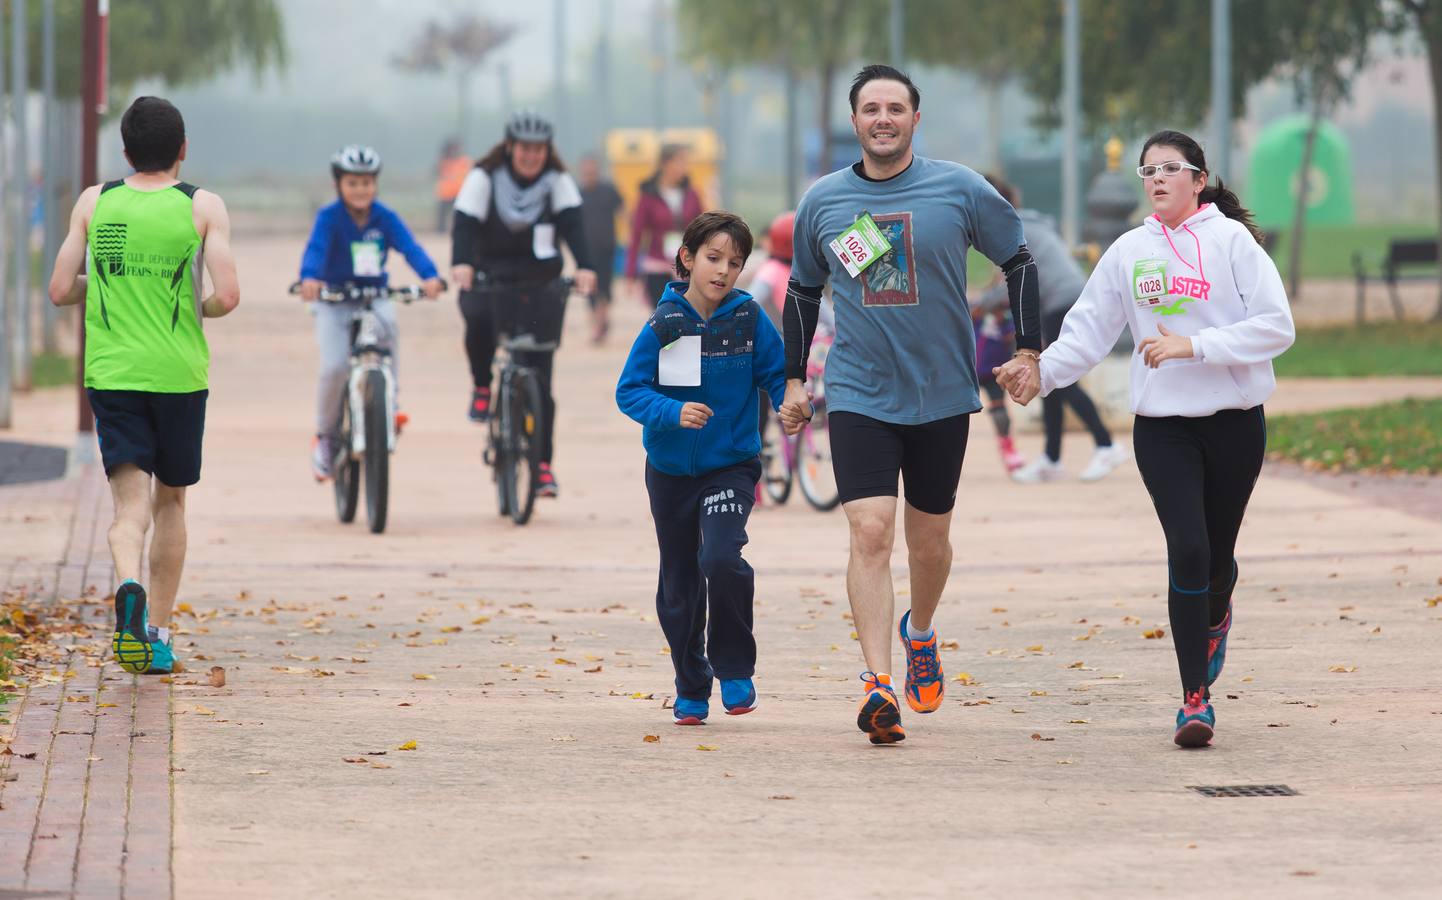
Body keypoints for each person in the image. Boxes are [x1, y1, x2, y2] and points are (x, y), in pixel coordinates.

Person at [994, 129, 1295, 748]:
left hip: (1235, 424)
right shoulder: (1130, 250)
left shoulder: (1232, 241)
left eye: (1170, 167)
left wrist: (1196, 345)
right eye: (1147, 170)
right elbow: (1086, 334)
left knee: (1217, 559)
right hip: (1163, 430)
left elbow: (1276, 326)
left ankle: (1217, 612)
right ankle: (1194, 701)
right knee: (1187, 549)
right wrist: (1040, 374)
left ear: (1199, 178)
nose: (1156, 178)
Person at [777, 65, 1043, 745]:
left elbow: (1019, 261)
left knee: (930, 544)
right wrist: (794, 379)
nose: (884, 118)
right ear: (856, 121)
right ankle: (878, 685)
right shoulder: (825, 201)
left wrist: (1029, 350)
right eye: (871, 109)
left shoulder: (958, 189)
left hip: (942, 393)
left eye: (896, 108)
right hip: (861, 392)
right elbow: (804, 292)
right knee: (870, 533)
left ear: (915, 120)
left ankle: (919, 631)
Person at [47, 96, 241, 675]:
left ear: (126, 151)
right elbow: (227, 296)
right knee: (172, 500)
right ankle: (155, 632)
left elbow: (60, 289)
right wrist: (192, 304)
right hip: (179, 376)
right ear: (183, 150)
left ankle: (126, 582)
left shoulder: (96, 202)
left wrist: (106, 287)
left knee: (129, 505)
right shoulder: (202, 206)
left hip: (113, 374)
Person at [616, 211, 786, 725]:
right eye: (713, 258)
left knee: (720, 558)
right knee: (680, 584)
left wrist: (789, 404)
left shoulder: (748, 317)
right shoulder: (665, 323)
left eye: (734, 263)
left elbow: (776, 373)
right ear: (688, 259)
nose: (723, 271)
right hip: (669, 472)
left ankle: (734, 667)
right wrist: (672, 412)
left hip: (730, 466)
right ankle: (690, 682)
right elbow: (630, 391)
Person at [451, 110, 598, 498]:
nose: (531, 156)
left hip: (540, 282)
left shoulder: (557, 182)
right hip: (490, 275)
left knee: (542, 380)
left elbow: (574, 227)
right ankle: (483, 386)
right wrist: (462, 263)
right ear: (511, 147)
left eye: (538, 149)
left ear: (547, 151)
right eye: (524, 149)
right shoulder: (485, 177)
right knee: (478, 319)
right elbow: (464, 224)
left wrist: (585, 267)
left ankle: (543, 465)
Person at [298, 145, 444, 481]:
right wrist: (310, 278)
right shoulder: (329, 218)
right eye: (353, 183)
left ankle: (389, 404)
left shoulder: (386, 217)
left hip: (374, 295)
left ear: (375, 185)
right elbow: (316, 250)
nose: (361, 190)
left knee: (389, 329)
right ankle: (326, 437)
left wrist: (430, 277)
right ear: (339, 185)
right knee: (334, 365)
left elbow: (410, 247)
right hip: (334, 298)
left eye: (366, 183)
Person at [982, 175, 1128, 484]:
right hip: (1067, 297)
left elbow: (1013, 282)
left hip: (1060, 302)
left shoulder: (1013, 228)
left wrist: (976, 305)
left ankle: (1106, 444)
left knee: (1059, 380)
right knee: (1048, 376)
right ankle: (1052, 458)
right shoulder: (1032, 223)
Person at [625, 143, 704, 309]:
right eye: (680, 161)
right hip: (657, 268)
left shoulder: (692, 194)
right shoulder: (648, 196)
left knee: (688, 316)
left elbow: (703, 229)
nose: (685, 167)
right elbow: (636, 235)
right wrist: (631, 273)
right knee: (664, 317)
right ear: (665, 164)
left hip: (687, 266)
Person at [578, 154, 624, 343]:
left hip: (607, 247)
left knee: (604, 286)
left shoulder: (609, 190)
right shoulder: (577, 194)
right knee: (588, 289)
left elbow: (622, 211)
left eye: (592, 171)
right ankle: (597, 323)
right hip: (585, 250)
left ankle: (601, 321)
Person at [435, 138, 472, 233]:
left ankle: (461, 230)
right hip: (445, 194)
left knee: (461, 215)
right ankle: (440, 231)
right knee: (442, 215)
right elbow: (437, 173)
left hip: (459, 193)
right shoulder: (443, 161)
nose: (454, 151)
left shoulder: (464, 161)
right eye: (452, 149)